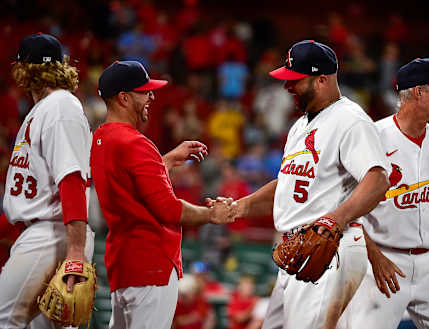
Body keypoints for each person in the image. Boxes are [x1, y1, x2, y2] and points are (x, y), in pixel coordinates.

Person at [209, 40, 390, 329]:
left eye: (296, 80)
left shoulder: (350, 119)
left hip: (329, 248)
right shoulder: (300, 126)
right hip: (298, 249)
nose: (287, 86)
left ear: (322, 79)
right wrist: (238, 207)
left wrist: (336, 220)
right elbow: (287, 185)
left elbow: (378, 179)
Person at [90, 60, 238, 329]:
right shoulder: (136, 143)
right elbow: (169, 210)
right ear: (123, 97)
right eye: (144, 91)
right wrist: (211, 214)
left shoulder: (100, 139)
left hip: (123, 263)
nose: (151, 96)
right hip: (152, 265)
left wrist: (165, 161)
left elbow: (131, 182)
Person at [338, 58, 429, 329]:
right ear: (418, 91)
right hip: (381, 260)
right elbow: (344, 207)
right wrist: (374, 257)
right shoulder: (373, 137)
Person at [0, 33, 95, 328]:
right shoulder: (46, 109)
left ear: (24, 69)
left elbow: (72, 179)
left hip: (53, 233)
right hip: (48, 232)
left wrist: (76, 253)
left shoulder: (59, 107)